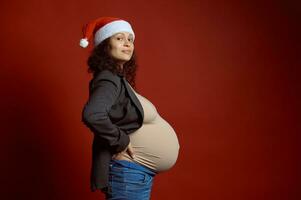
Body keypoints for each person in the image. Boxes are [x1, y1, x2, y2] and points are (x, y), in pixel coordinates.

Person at [79, 17, 180, 200]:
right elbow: (93, 114)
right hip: (128, 174)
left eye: (130, 39)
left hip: (134, 174)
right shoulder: (108, 79)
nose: (127, 43)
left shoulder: (117, 79)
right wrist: (121, 140)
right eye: (119, 38)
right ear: (104, 45)